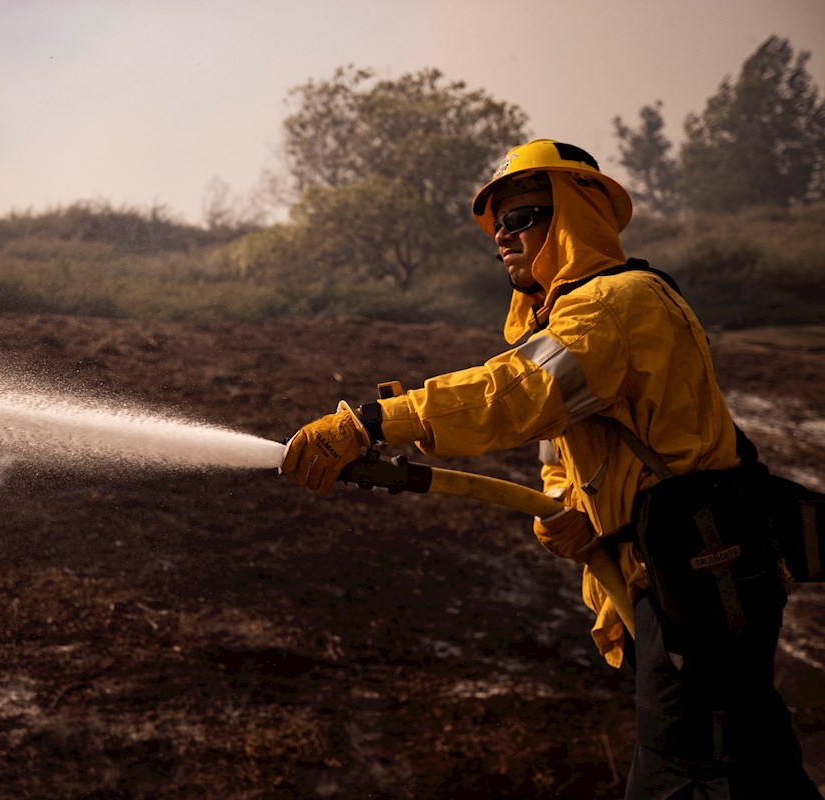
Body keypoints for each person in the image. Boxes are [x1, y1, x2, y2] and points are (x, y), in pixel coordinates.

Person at [280, 139, 821, 798]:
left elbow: (515, 395)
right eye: (497, 224)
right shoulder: (578, 316)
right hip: (688, 577)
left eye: (523, 216)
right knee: (752, 761)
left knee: (691, 772)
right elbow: (563, 441)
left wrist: (373, 422)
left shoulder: (617, 304)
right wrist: (570, 512)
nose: (503, 237)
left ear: (576, 217)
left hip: (700, 583)